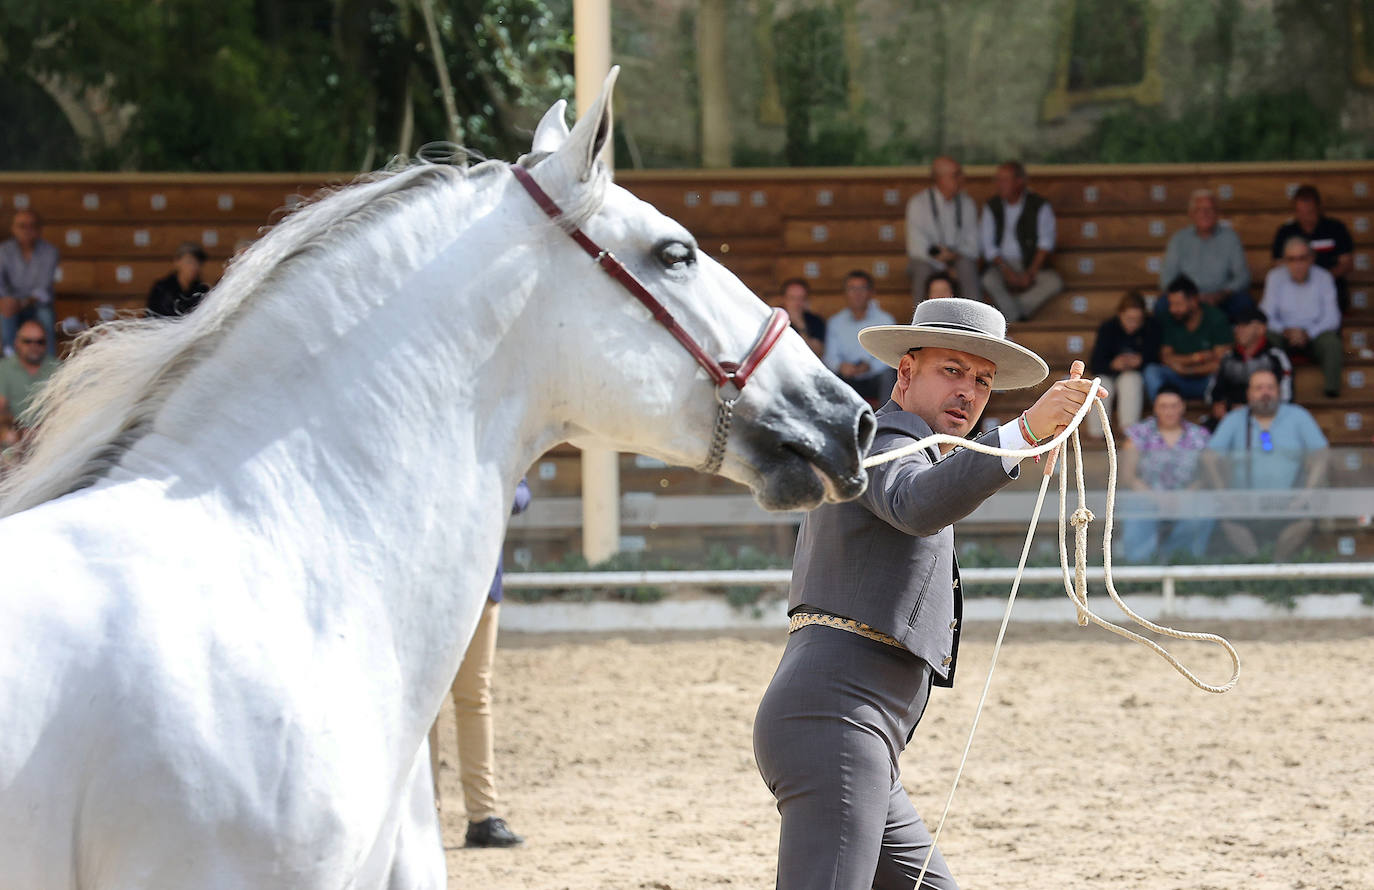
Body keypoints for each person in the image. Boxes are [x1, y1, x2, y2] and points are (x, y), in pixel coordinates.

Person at [754, 297, 1103, 890]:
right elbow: (915, 504)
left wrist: (1013, 445)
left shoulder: (911, 452)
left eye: (983, 381)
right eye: (953, 370)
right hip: (838, 721)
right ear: (906, 373)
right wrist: (1020, 434)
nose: (969, 392)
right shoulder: (876, 439)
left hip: (854, 732)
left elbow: (930, 492)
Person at [430, 477, 531, 848]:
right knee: (427, 704)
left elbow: (521, 492)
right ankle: (426, 815)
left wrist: (487, 488)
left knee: (475, 697)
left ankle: (482, 816)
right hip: (427, 580)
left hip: (482, 581)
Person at [1204, 368, 1328, 561]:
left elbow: (1322, 454)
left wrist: (1307, 494)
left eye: (1270, 387)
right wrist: (1223, 494)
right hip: (1245, 503)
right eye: (1259, 388)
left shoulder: (1298, 416)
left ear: (1279, 391)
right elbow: (1209, 456)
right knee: (1228, 522)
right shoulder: (1234, 419)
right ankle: (1257, 564)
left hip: (1290, 502)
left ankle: (1276, 567)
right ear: (1249, 394)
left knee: (1305, 522)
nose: (1265, 393)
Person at [1118, 385, 1214, 563]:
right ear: (1155, 407)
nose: (1169, 411)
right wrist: (1155, 497)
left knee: (1203, 508)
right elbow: (1128, 477)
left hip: (1186, 496)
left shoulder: (1198, 435)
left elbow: (1205, 476)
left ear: (1182, 407)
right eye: (1163, 406)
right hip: (1146, 495)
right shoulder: (1139, 433)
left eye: (1174, 406)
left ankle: (1180, 564)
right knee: (1135, 507)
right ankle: (1140, 569)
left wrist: (1184, 495)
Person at [979, 160, 1063, 322]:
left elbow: (1045, 244)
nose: (999, 184)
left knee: (1054, 282)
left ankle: (1014, 311)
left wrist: (1030, 274)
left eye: (1005, 180)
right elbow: (989, 248)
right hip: (1001, 265)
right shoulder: (992, 206)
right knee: (987, 279)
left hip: (1030, 264)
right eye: (998, 180)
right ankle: (1015, 316)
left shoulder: (1039, 206)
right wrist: (1007, 271)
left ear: (1020, 182)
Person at [1261, 237, 1343, 398]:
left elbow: (1333, 317)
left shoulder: (1323, 277)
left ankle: (1331, 393)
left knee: (1332, 342)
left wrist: (1308, 333)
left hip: (1315, 334)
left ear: (1311, 258)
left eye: (1302, 258)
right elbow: (1265, 315)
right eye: (1291, 259)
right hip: (1284, 333)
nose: (1297, 264)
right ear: (1284, 261)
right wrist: (1285, 331)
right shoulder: (1275, 277)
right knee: (1268, 340)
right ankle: (1273, 391)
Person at [1158, 190, 1252, 319]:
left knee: (1243, 302)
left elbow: (1242, 276)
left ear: (1217, 213)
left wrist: (1222, 294)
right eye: (1199, 210)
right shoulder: (1179, 239)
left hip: (1221, 297)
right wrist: (1188, 297)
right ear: (1191, 214)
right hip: (1187, 299)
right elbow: (1166, 280)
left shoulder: (1230, 237)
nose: (1205, 214)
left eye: (1210, 209)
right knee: (1162, 305)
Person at [906, 156, 981, 305]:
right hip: (929, 260)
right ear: (940, 179)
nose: (961, 179)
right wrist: (942, 261)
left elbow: (974, 246)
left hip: (957, 259)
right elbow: (916, 248)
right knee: (921, 269)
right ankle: (919, 324)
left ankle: (974, 323)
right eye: (956, 175)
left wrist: (953, 256)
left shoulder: (967, 204)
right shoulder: (918, 203)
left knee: (967, 266)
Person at [1144, 275, 1232, 401]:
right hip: (1176, 378)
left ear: (1194, 301)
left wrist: (1187, 370)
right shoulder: (1169, 318)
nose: (1173, 309)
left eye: (1178, 304)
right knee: (1152, 371)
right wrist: (1198, 357)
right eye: (1171, 304)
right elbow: (1166, 357)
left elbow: (1221, 364)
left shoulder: (1216, 318)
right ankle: (1163, 412)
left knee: (1225, 376)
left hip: (1207, 382)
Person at [1270, 184, 1353, 315]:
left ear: (1319, 209)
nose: (1305, 217)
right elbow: (1278, 264)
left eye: (1310, 212)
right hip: (1294, 290)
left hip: (1330, 288)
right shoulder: (1285, 232)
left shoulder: (1335, 228)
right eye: (1300, 212)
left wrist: (1321, 280)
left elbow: (1346, 263)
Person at [1205, 306, 1292, 428]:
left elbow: (1285, 396)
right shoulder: (1228, 357)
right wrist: (1217, 404)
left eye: (1245, 325)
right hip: (1228, 418)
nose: (1238, 330)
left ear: (1261, 329)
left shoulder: (1275, 357)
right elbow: (1212, 392)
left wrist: (1249, 410)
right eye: (1237, 326)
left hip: (1266, 418)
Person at [1086, 290, 1158, 437]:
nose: (1133, 324)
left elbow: (1158, 358)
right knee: (1099, 385)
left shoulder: (1151, 327)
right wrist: (1113, 364)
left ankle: (1129, 432)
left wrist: (1141, 360)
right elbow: (1095, 363)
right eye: (1129, 319)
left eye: (1137, 320)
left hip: (1136, 377)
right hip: (1109, 374)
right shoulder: (1108, 328)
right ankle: (1096, 434)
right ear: (1120, 314)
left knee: (1131, 380)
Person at [823, 270, 895, 403]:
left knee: (889, 375)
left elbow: (890, 356)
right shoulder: (835, 322)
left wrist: (870, 367)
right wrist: (841, 366)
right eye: (852, 289)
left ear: (871, 293)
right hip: (847, 377)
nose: (857, 294)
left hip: (874, 377)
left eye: (862, 288)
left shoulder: (885, 320)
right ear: (845, 293)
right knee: (829, 376)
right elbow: (830, 357)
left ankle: (888, 420)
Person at [0, 209, 59, 356]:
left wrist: (21, 303)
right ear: (13, 229)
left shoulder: (50, 251)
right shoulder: (3, 251)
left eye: (32, 226)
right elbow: (1, 284)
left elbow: (42, 289)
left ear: (39, 230)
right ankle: (9, 361)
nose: (27, 231)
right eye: (22, 226)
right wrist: (8, 301)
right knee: (5, 312)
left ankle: (49, 364)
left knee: (46, 315)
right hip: (11, 303)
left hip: (37, 304)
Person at [0, 318, 60, 427]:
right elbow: (1, 408)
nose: (34, 346)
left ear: (46, 344)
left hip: (50, 431)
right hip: (14, 432)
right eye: (27, 341)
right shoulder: (4, 368)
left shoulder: (58, 368)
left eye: (40, 342)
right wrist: (18, 431)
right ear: (17, 343)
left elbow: (63, 407)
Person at [146, 242, 211, 318]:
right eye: (189, 262)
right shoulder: (162, 288)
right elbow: (153, 317)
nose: (193, 267)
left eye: (198, 263)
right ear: (177, 262)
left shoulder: (202, 290)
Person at [779, 277, 825, 358]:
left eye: (801, 298)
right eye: (792, 298)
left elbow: (816, 353)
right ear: (784, 299)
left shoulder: (815, 321)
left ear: (806, 301)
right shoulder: (776, 321)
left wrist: (800, 326)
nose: (797, 303)